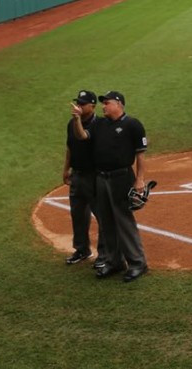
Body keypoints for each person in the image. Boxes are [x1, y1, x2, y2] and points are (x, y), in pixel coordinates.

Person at [70, 91, 148, 282]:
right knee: (106, 222)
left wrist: (140, 180)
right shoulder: (99, 124)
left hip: (121, 178)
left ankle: (138, 263)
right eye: (102, 103)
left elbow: (140, 155)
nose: (103, 106)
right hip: (101, 178)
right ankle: (114, 262)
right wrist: (77, 119)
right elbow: (81, 136)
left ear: (119, 104)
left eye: (107, 103)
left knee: (123, 220)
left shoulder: (132, 125)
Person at [62, 90, 104, 265]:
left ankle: (104, 254)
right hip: (77, 176)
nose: (78, 105)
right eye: (78, 102)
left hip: (94, 177)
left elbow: (83, 136)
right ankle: (82, 249)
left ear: (92, 106)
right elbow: (70, 147)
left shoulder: (100, 125)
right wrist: (66, 170)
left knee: (102, 217)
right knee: (77, 215)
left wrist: (77, 120)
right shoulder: (71, 123)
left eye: (82, 103)